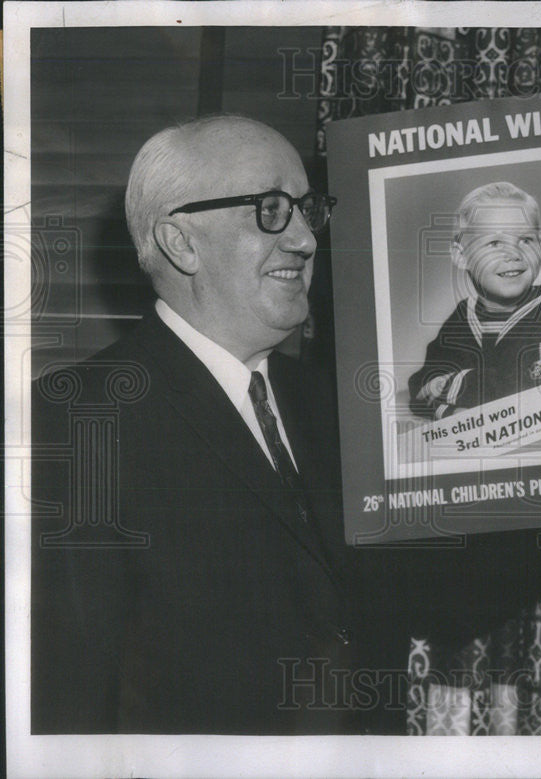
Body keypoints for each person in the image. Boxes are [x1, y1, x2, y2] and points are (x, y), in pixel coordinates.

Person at [31, 115, 373, 734]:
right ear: (179, 241)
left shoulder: (335, 404)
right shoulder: (72, 423)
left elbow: (429, 590)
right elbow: (68, 699)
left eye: (306, 208)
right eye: (269, 208)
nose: (304, 238)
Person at [409, 181, 541, 419]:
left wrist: (453, 383)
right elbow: (420, 386)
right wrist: (449, 411)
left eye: (526, 240)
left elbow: (527, 389)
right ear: (461, 256)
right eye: (494, 243)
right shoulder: (463, 316)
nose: (513, 254)